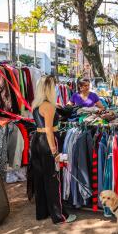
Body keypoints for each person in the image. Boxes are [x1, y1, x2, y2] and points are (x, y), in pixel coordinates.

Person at [30, 75, 76, 224]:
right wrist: (55, 152)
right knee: (53, 178)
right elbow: (49, 130)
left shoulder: (36, 104)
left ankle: (43, 212)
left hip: (37, 140)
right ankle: (59, 215)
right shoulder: (48, 106)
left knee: (40, 177)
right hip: (47, 141)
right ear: (49, 88)